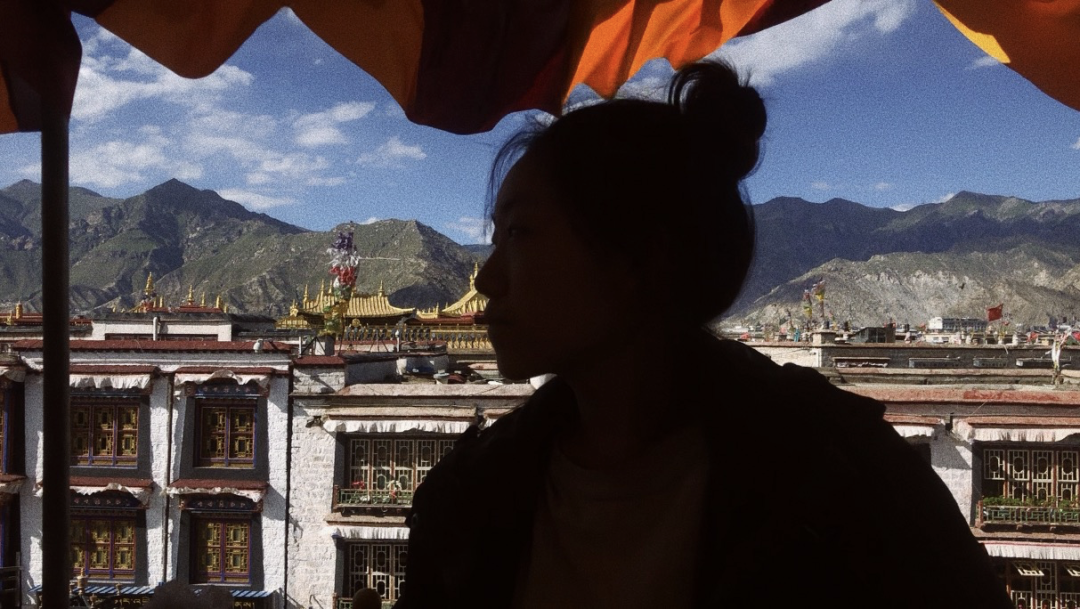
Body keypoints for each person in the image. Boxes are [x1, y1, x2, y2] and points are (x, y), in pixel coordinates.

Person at [397, 60, 1012, 608]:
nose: (486, 279)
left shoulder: (846, 486)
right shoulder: (473, 492)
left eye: (520, 233)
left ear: (641, 254)